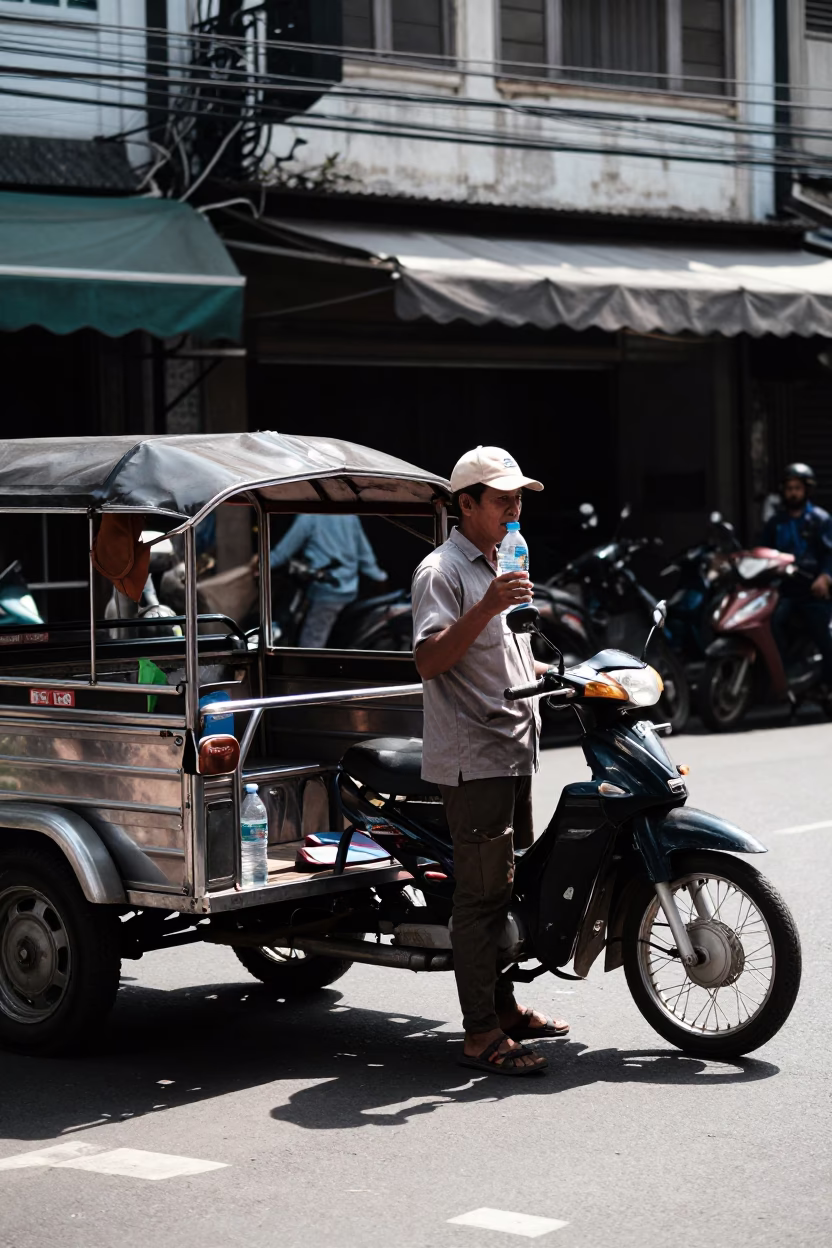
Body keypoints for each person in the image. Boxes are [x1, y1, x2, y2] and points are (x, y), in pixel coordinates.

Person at [411, 446, 569, 1077]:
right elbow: (429, 661)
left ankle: (503, 1008)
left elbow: (501, 654)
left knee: (507, 887)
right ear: (467, 504)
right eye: (502, 499)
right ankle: (480, 1033)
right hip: (472, 756)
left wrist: (560, 673)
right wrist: (486, 606)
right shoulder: (441, 571)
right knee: (480, 898)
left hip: (512, 747)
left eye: (518, 498)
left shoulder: (503, 561)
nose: (514, 509)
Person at [761, 462, 832, 690]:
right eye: (789, 488)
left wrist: (825, 577)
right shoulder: (775, 523)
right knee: (773, 624)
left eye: (797, 488)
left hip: (812, 591)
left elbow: (829, 554)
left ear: (806, 490)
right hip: (784, 590)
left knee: (823, 634)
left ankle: (827, 685)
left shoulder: (820, 519)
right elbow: (763, 552)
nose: (793, 493)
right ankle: (787, 674)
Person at [270, 514, 387, 648]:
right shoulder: (349, 516)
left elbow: (283, 552)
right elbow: (364, 553)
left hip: (328, 591)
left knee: (311, 643)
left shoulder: (310, 516)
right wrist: (380, 577)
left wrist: (262, 564)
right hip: (349, 588)